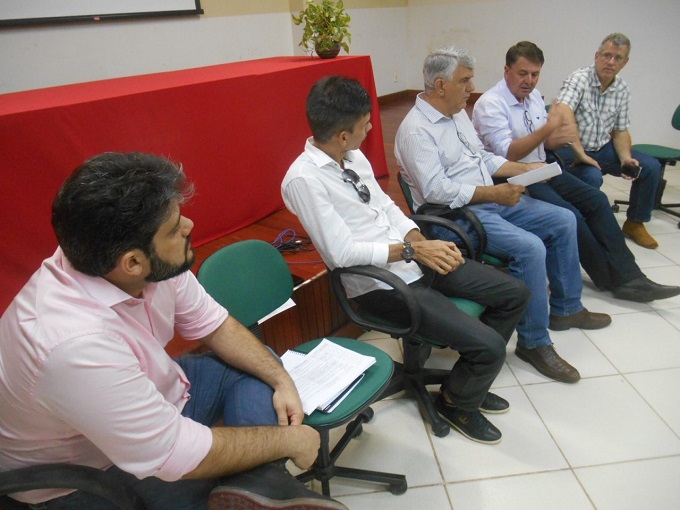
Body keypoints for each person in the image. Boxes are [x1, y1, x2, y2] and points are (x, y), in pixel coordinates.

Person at [0, 152, 347, 510]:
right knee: (200, 487)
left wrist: (283, 380)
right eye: (173, 228)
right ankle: (256, 488)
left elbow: (215, 325)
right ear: (133, 262)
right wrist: (291, 441)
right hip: (84, 471)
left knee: (261, 366)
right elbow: (172, 454)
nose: (189, 226)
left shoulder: (139, 261)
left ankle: (257, 485)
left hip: (146, 393)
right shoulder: (73, 343)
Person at [282, 76, 530, 445]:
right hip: (380, 286)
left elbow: (385, 207)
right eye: (365, 123)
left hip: (413, 259)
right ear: (343, 135)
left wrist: (420, 242)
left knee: (515, 293)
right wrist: (412, 251)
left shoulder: (352, 156)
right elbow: (341, 254)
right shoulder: (304, 179)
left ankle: (465, 384)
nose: (371, 128)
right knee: (490, 347)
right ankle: (456, 403)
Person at [395, 45, 612, 386]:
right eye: (465, 81)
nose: (471, 88)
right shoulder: (416, 130)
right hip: (456, 216)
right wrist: (493, 193)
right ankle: (534, 342)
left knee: (563, 220)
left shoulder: (456, 113)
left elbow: (482, 157)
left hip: (486, 201)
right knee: (530, 248)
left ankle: (567, 308)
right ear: (440, 85)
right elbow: (437, 191)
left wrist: (524, 169)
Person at [472, 41, 680, 302]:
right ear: (507, 70)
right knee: (571, 215)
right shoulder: (491, 103)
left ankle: (632, 276)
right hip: (512, 176)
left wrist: (557, 138)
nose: (529, 81)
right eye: (522, 73)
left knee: (597, 200)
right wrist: (548, 130)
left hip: (542, 167)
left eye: (535, 74)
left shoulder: (534, 97)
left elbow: (543, 144)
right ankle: (613, 280)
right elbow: (508, 153)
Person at [552, 33, 662, 249]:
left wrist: (626, 159)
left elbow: (620, 131)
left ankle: (634, 223)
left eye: (618, 58)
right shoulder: (579, 79)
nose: (611, 62)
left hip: (602, 148)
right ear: (597, 56)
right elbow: (563, 112)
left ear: (625, 62)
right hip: (570, 149)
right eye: (607, 55)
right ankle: (585, 228)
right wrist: (580, 152)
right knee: (591, 176)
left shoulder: (622, 89)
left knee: (650, 167)